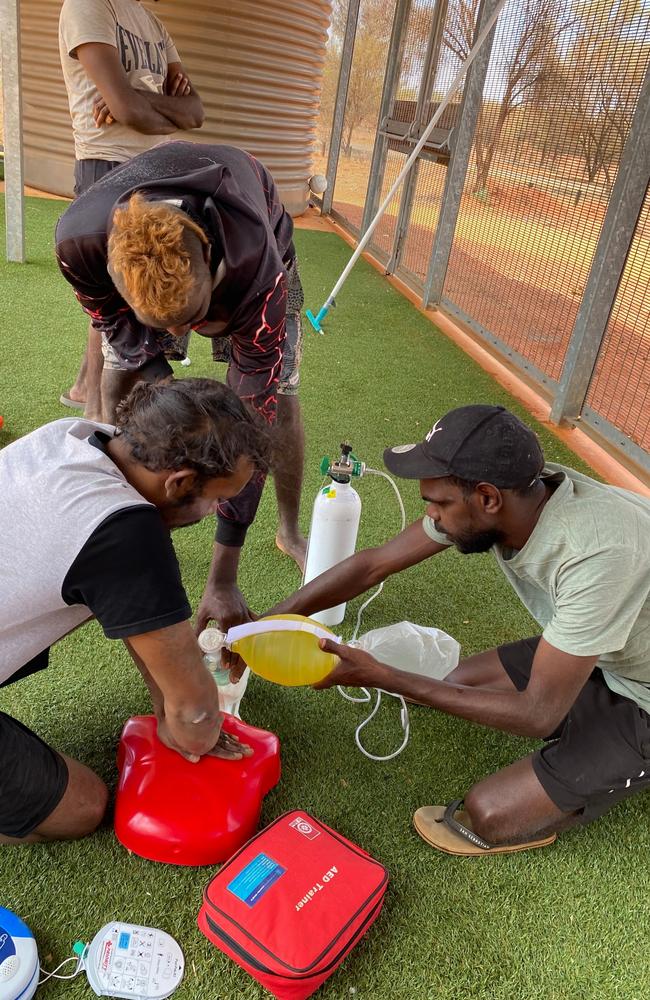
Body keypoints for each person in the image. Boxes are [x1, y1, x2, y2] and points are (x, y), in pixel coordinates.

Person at [264, 404, 650, 856]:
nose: (432, 515)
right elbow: (374, 564)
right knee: (454, 684)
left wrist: (382, 675)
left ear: (488, 499)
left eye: (439, 503)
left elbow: (536, 714)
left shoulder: (596, 554)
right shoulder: (520, 492)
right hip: (612, 649)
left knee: (486, 816)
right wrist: (268, 621)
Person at [55, 140, 308, 639]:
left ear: (211, 263)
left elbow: (252, 425)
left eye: (191, 322)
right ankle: (118, 510)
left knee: (278, 400)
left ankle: (290, 530)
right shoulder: (77, 243)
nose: (178, 338)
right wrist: (163, 385)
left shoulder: (258, 265)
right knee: (120, 362)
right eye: (163, 328)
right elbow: (112, 322)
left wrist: (224, 578)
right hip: (141, 227)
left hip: (257, 220)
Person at [0, 378, 269, 845]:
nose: (215, 510)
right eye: (219, 499)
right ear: (180, 482)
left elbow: (135, 612)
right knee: (80, 809)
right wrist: (196, 730)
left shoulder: (78, 436)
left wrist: (166, 706)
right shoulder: (124, 532)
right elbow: (196, 710)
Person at [58, 0, 204, 421]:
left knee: (127, 284)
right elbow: (126, 112)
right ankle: (94, 411)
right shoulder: (88, 7)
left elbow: (194, 113)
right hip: (106, 165)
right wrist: (143, 105)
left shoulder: (152, 21)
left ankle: (88, 388)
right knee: (116, 288)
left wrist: (136, 97)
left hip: (156, 166)